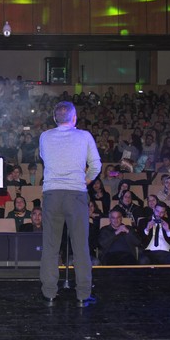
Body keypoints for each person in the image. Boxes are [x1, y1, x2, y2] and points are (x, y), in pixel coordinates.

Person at [39, 101, 101, 308]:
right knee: (80, 247)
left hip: (52, 195)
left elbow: (45, 158)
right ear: (74, 118)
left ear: (54, 118)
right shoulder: (84, 136)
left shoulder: (45, 136)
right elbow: (96, 165)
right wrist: (85, 181)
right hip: (76, 195)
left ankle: (49, 293)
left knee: (50, 246)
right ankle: (83, 295)